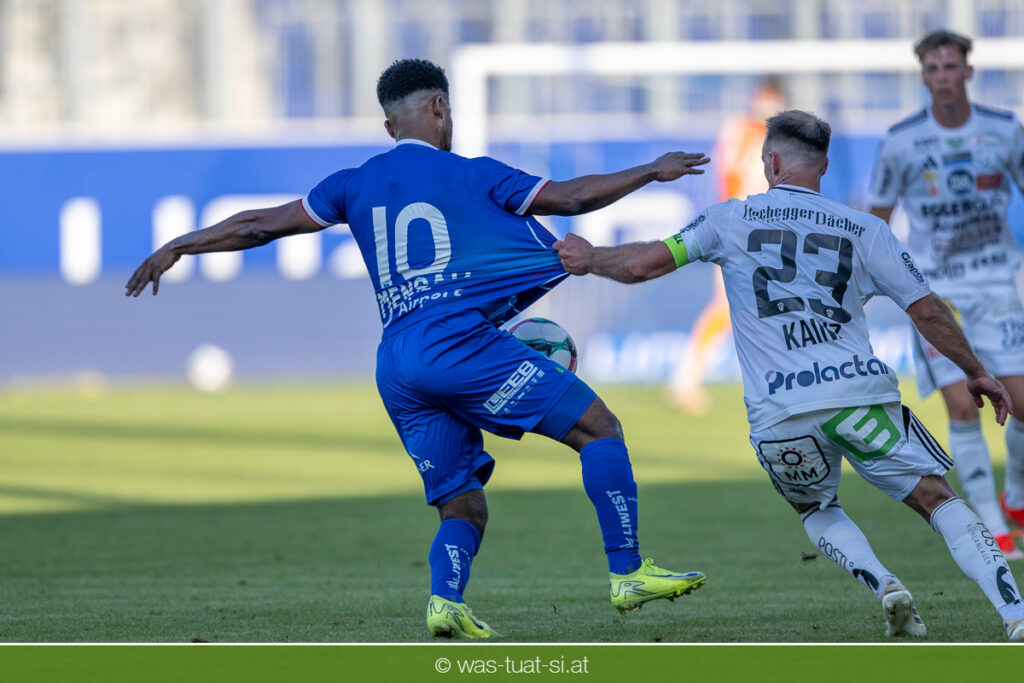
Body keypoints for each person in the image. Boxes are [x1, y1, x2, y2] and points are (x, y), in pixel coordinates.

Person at [125, 58, 710, 640]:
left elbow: (259, 225)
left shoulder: (350, 184)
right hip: (456, 342)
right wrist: (650, 171)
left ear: (389, 127)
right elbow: (571, 198)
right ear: (439, 107)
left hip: (397, 363)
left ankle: (445, 603)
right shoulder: (475, 175)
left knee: (463, 505)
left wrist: (181, 244)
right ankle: (628, 571)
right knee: (599, 429)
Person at [554, 109, 1024, 640]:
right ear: (824, 166)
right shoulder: (865, 229)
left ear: (771, 162)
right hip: (857, 398)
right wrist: (976, 371)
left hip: (779, 414)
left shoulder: (728, 220)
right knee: (937, 498)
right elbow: (929, 311)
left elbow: (643, 264)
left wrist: (591, 258)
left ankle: (884, 582)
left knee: (815, 507)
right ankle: (1014, 614)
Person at [868, 29, 1024, 560]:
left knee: (1022, 406)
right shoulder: (901, 141)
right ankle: (994, 528)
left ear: (968, 72)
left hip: (997, 284)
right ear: (924, 77)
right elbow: (877, 221)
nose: (942, 78)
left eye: (951, 66)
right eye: (933, 69)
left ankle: (1015, 498)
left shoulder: (1004, 130)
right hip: (935, 294)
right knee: (962, 404)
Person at [668, 79, 787, 414]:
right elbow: (729, 175)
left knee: (774, 306)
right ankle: (687, 377)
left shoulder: (783, 138)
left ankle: (779, 379)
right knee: (725, 308)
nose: (767, 106)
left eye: (773, 101)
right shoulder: (740, 130)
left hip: (769, 231)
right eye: (765, 99)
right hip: (737, 228)